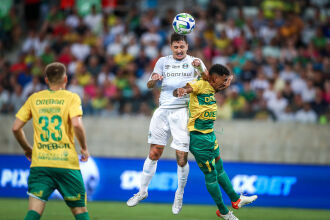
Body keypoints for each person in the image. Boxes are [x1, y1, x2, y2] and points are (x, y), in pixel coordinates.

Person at [126, 33, 207, 214]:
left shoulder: (195, 62)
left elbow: (208, 83)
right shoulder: (163, 61)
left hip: (182, 112)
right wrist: (154, 79)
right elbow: (149, 85)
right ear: (171, 47)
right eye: (176, 47)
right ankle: (142, 191)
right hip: (162, 111)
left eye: (182, 47)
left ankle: (179, 194)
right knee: (154, 152)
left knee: (181, 157)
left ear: (187, 47)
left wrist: (201, 69)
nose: (179, 50)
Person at [173, 63, 257, 220]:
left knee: (220, 168)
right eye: (223, 80)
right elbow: (188, 88)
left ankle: (236, 199)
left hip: (210, 135)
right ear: (215, 77)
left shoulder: (212, 87)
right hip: (198, 138)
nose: (224, 83)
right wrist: (182, 90)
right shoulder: (200, 84)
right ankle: (223, 212)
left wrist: (229, 79)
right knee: (211, 174)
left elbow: (220, 87)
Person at [12, 62, 90, 220]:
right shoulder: (71, 97)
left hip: (40, 163)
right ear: (65, 79)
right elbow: (76, 124)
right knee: (80, 212)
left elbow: (15, 128)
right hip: (66, 164)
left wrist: (27, 149)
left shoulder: (34, 98)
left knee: (33, 213)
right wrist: (83, 148)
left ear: (46, 79)